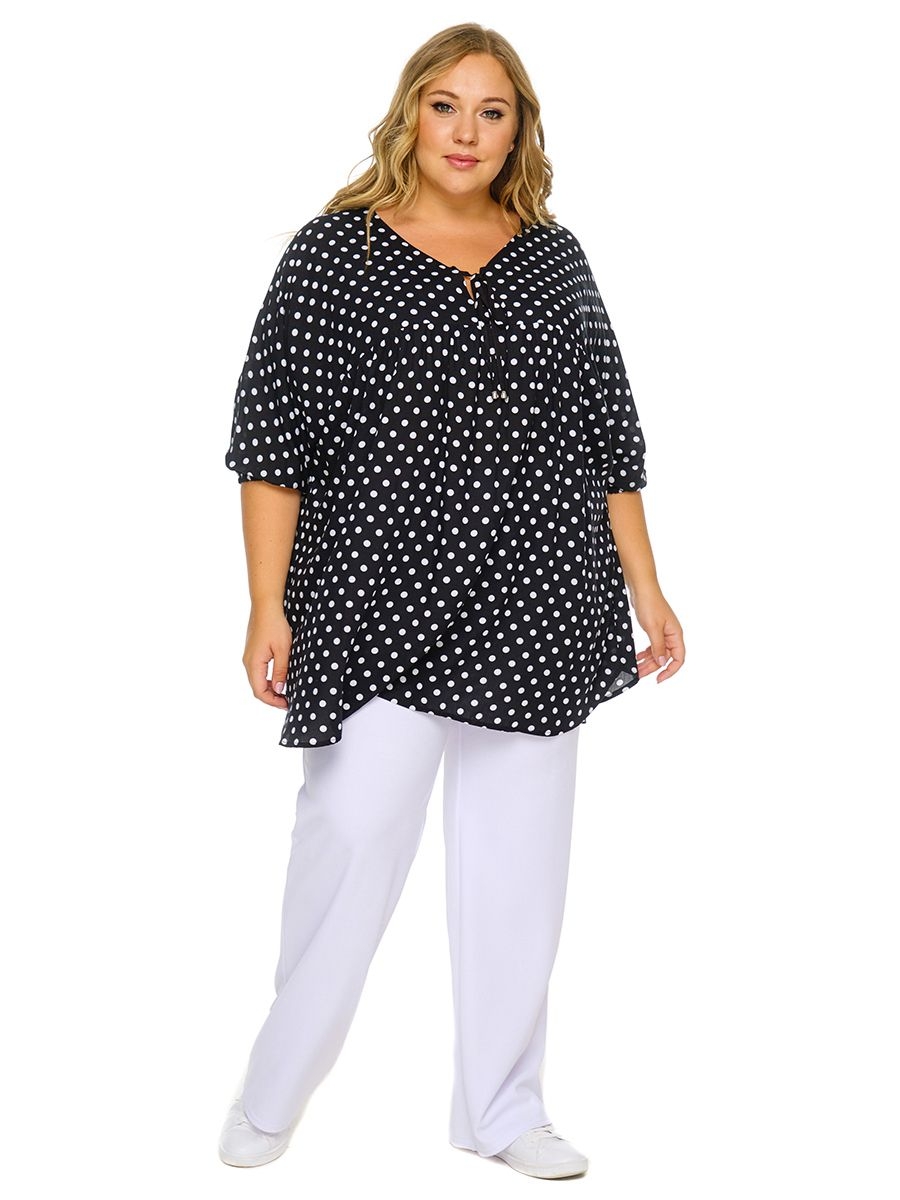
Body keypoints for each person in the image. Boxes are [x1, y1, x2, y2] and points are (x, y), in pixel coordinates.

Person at [218, 22, 685, 1181]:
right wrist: (267, 603)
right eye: (445, 106)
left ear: (519, 131)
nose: (466, 132)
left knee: (519, 873)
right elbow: (272, 441)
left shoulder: (553, 259)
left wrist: (649, 587)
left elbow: (608, 436)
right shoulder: (334, 255)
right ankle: (273, 1092)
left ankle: (504, 1110)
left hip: (539, 600)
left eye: (492, 111)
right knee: (349, 844)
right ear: (409, 115)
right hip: (374, 602)